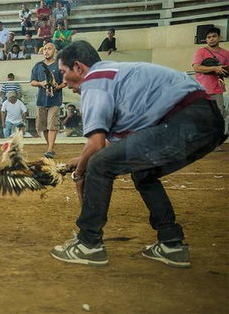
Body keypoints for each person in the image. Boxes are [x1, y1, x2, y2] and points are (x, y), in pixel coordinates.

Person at [50, 40, 226, 267]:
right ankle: (171, 243)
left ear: (79, 67)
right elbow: (108, 148)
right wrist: (80, 161)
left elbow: (95, 147)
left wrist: (81, 172)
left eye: (64, 72)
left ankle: (88, 243)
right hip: (206, 122)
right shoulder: (115, 74)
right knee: (143, 172)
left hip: (183, 119)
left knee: (100, 165)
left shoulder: (95, 80)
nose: (63, 81)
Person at [30, 42, 64, 158]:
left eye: (49, 49)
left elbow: (65, 82)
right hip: (41, 99)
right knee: (43, 125)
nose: (46, 51)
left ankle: (50, 149)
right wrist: (41, 83)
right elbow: (32, 82)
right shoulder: (38, 65)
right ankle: (50, 147)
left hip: (55, 100)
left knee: (52, 124)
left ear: (55, 51)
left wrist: (55, 87)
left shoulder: (59, 65)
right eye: (44, 49)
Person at [192, 27, 228, 122]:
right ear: (206, 39)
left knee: (219, 115)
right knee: (202, 116)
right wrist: (215, 68)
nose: (211, 39)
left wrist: (223, 71)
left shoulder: (226, 53)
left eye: (214, 36)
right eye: (209, 37)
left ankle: (219, 135)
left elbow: (227, 71)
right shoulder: (200, 51)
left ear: (219, 37)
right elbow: (197, 67)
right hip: (201, 89)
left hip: (217, 89)